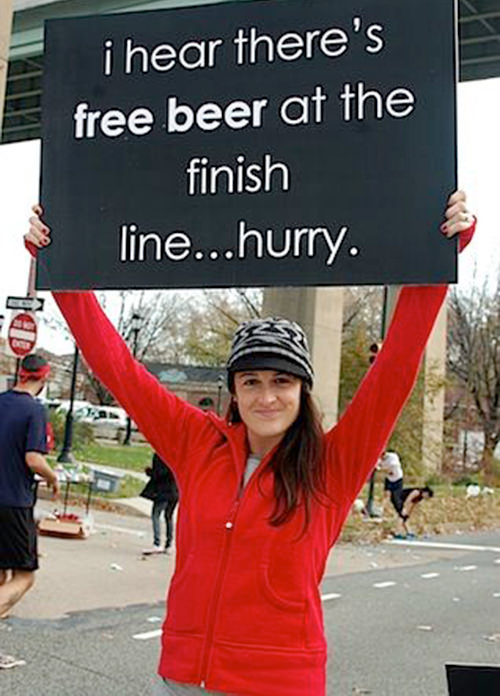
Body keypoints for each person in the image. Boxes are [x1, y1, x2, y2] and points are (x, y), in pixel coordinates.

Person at [25, 190, 474, 696]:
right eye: (252, 381)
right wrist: (58, 266)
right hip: (179, 679)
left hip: (278, 684)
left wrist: (441, 257)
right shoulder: (197, 442)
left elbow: (396, 367)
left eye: (282, 382)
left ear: (303, 391)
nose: (267, 396)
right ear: (234, 392)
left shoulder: (332, 463)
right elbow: (119, 370)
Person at [0, 354, 59, 627]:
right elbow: (33, 459)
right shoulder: (34, 410)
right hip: (13, 502)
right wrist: (52, 477)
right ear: (44, 378)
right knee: (25, 576)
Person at [141, 453, 179, 555]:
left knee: (156, 515)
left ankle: (157, 543)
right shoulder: (176, 454)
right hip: (175, 489)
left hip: (163, 491)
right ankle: (168, 544)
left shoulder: (160, 455)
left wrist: (149, 472)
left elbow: (159, 474)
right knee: (168, 516)